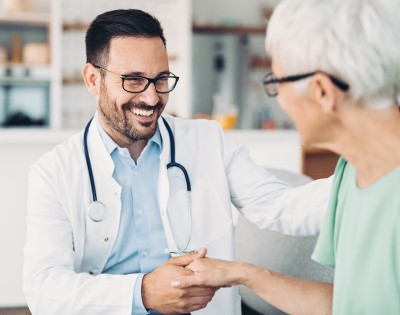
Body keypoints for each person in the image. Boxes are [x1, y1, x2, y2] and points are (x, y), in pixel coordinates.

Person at [23, 8, 332, 315]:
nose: (152, 97)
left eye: (161, 79)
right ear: (93, 79)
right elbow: (44, 289)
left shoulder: (208, 141)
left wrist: (367, 173)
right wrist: (143, 293)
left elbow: (282, 206)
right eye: (133, 80)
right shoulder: (54, 172)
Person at [171, 0, 400, 314]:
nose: (280, 102)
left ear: (322, 91)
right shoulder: (352, 174)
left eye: (277, 82)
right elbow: (346, 303)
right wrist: (244, 274)